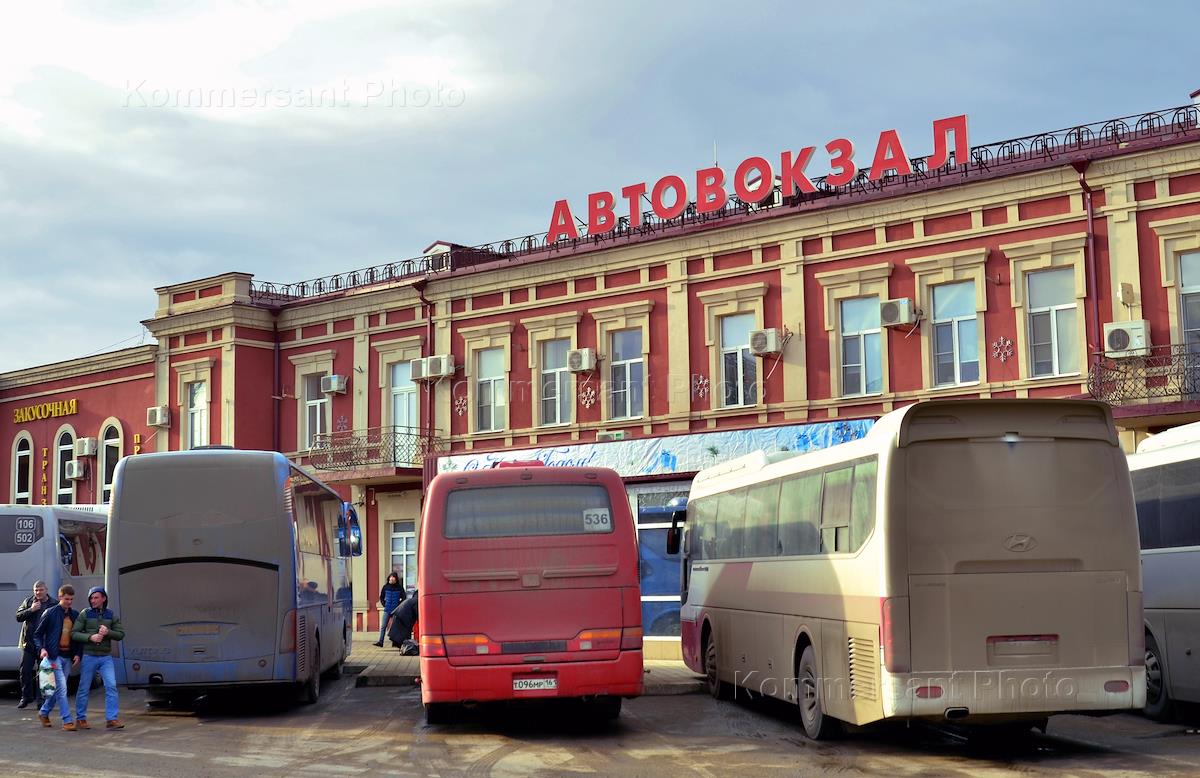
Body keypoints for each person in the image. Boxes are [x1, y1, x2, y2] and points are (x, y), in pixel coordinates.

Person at [71, 586, 125, 730]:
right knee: (84, 688)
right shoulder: (85, 614)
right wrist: (90, 637)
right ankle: (80, 719)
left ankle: (112, 719)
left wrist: (108, 632)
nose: (93, 600)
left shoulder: (111, 615)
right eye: (91, 598)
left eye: (96, 597)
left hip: (105, 657)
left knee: (111, 686)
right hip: (89, 656)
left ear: (104, 598)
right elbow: (74, 633)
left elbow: (120, 634)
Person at [33, 584, 79, 731]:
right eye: (67, 599)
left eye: (71, 599)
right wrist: (42, 649)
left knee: (56, 689)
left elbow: (75, 638)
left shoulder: (74, 615)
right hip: (54, 656)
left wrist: (77, 653)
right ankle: (67, 720)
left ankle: (44, 712)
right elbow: (37, 635)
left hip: (67, 657)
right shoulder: (50, 612)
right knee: (61, 689)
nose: (69, 602)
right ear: (60, 597)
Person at [14, 580, 57, 709]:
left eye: (41, 590)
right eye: (36, 590)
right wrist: (31, 610)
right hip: (28, 643)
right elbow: (18, 616)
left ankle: (41, 700)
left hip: (44, 645)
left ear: (46, 590)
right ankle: (26, 697)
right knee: (25, 671)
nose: (38, 593)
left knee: (42, 674)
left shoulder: (53, 604)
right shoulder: (28, 602)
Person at [374, 572, 405, 647]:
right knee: (383, 626)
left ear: (396, 579)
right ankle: (380, 642)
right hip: (387, 609)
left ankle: (395, 643)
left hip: (396, 610)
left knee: (395, 627)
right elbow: (381, 597)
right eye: (390, 577)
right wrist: (384, 604)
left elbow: (404, 597)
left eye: (393, 577)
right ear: (388, 578)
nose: (391, 578)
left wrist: (399, 605)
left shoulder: (399, 587)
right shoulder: (385, 587)